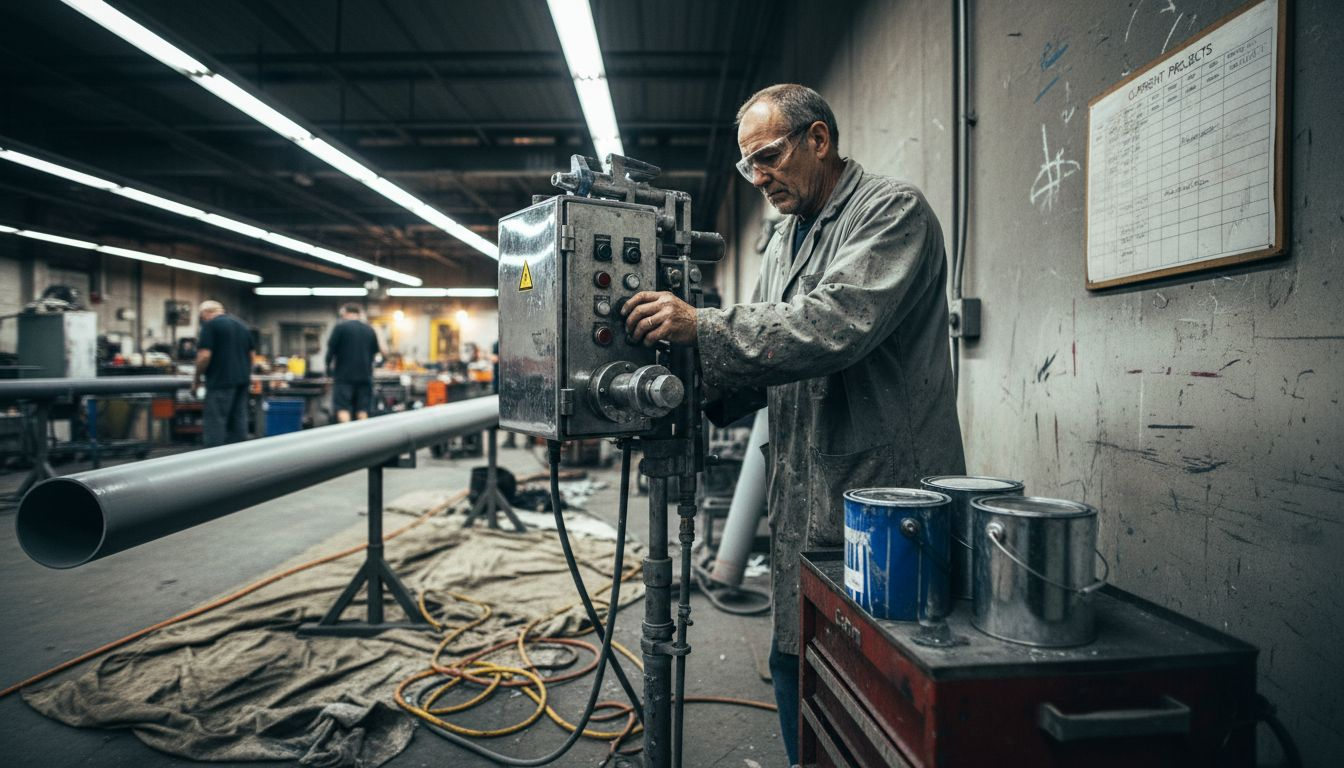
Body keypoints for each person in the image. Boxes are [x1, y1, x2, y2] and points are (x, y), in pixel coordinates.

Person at [621, 84, 966, 766]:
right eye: (748, 164)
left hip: (886, 495)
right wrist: (680, 393)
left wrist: (702, 326)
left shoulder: (891, 212)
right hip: (802, 489)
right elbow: (765, 353)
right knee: (797, 658)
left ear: (819, 139)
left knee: (878, 678)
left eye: (769, 156)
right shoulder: (783, 240)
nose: (758, 177)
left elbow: (834, 326)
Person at [194, 300, 254, 447]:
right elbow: (252, 355)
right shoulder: (242, 325)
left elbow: (204, 356)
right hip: (242, 381)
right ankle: (239, 455)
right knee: (239, 420)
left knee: (215, 422)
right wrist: (246, 373)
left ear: (205, 313)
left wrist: (196, 379)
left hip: (220, 381)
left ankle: (213, 457)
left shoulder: (210, 325)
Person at [325, 303, 384, 422]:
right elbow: (375, 352)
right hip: (365, 376)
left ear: (345, 313)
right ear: (359, 313)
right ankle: (363, 434)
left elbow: (331, 351)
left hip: (344, 377)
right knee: (363, 409)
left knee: (343, 407)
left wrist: (328, 369)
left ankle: (346, 432)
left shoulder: (340, 328)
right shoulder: (369, 329)